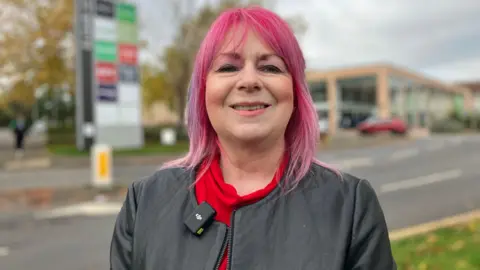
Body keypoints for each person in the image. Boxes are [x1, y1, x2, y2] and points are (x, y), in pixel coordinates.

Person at [110, 6, 396, 270]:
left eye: (270, 67)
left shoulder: (350, 207)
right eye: (228, 67)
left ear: (295, 92)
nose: (249, 81)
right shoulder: (145, 202)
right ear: (203, 92)